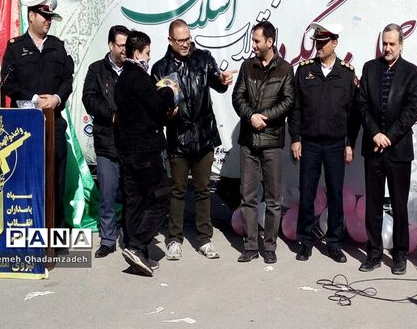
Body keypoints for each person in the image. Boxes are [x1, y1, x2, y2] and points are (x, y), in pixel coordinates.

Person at [151, 19, 236, 261]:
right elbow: (156, 108)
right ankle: (174, 239)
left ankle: (204, 239)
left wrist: (223, 81)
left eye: (188, 39)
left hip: (204, 136)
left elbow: (217, 85)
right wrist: (167, 115)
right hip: (177, 139)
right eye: (180, 40)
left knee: (203, 190)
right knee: (178, 191)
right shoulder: (160, 68)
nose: (185, 44)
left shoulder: (203, 59)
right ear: (170, 40)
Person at [288, 22, 360, 263]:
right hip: (309, 143)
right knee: (307, 193)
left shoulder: (347, 73)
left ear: (335, 43)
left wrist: (350, 142)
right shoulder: (304, 70)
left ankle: (334, 243)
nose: (318, 47)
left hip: (335, 144)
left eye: (323, 43)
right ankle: (305, 241)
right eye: (316, 42)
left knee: (335, 195)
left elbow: (353, 114)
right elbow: (296, 108)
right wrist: (295, 138)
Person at [0, 0, 74, 228]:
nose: (48, 21)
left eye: (50, 17)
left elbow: (68, 79)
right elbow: (7, 83)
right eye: (44, 16)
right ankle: (24, 225)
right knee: (23, 175)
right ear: (31, 16)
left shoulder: (57, 46)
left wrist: (57, 98)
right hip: (23, 124)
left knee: (56, 177)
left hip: (54, 122)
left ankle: (56, 228)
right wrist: (33, 99)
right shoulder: (15, 47)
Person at [357, 23, 417, 275]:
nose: (387, 48)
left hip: (398, 150)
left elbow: (411, 111)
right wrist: (375, 133)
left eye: (392, 44)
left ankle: (400, 254)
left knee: (399, 204)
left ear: (401, 45)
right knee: (373, 204)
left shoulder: (411, 72)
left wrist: (389, 137)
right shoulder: (369, 68)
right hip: (373, 148)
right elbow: (362, 105)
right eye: (384, 43)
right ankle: (373, 253)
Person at [232, 20, 294, 264]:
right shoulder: (247, 66)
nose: (253, 45)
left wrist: (264, 117)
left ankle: (269, 246)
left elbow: (288, 101)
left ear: (270, 41)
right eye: (253, 41)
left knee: (273, 199)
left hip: (271, 142)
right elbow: (238, 97)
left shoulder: (285, 69)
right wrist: (251, 116)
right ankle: (250, 246)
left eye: (257, 41)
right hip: (248, 141)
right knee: (247, 196)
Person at [114, 30, 175, 276]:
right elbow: (157, 109)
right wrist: (168, 91)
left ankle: (136, 252)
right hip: (145, 151)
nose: (149, 57)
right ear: (137, 52)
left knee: (135, 201)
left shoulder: (122, 79)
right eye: (147, 52)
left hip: (127, 151)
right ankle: (137, 246)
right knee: (161, 197)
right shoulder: (138, 78)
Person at [82, 25, 130, 258]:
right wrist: (111, 115)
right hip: (106, 143)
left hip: (130, 144)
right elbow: (89, 98)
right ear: (111, 45)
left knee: (131, 194)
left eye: (127, 46)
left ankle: (132, 238)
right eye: (121, 46)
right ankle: (108, 239)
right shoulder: (96, 70)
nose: (125, 50)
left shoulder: (133, 69)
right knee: (108, 195)